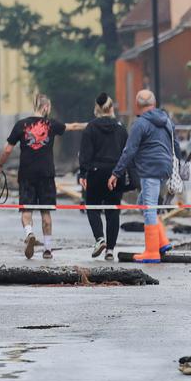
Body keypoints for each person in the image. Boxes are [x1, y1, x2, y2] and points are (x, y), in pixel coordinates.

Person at [0, 94, 84, 260]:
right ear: (45, 108)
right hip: (46, 174)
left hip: (27, 174)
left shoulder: (21, 125)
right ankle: (48, 249)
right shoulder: (51, 124)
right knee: (46, 213)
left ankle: (29, 234)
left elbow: (7, 150)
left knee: (26, 210)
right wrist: (92, 124)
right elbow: (72, 126)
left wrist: (0, 165)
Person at [108, 89, 178, 264]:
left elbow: (129, 150)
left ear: (137, 105)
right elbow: (175, 144)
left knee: (148, 209)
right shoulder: (167, 121)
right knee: (144, 204)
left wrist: (116, 173)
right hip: (165, 169)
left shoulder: (140, 124)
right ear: (154, 104)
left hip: (150, 170)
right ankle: (162, 243)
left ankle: (152, 252)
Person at [77, 93, 129, 259]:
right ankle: (110, 251)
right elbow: (126, 152)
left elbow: (85, 154)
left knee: (92, 206)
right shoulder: (121, 129)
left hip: (96, 173)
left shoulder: (90, 128)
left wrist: (83, 173)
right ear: (111, 108)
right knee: (113, 211)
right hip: (115, 174)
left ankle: (100, 239)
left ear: (96, 109)